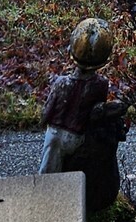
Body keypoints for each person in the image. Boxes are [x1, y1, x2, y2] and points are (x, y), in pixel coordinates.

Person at [37, 18, 114, 175]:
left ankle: (46, 186)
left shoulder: (61, 83)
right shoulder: (101, 84)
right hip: (76, 136)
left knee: (47, 171)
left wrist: (43, 121)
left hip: (55, 134)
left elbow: (47, 112)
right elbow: (95, 114)